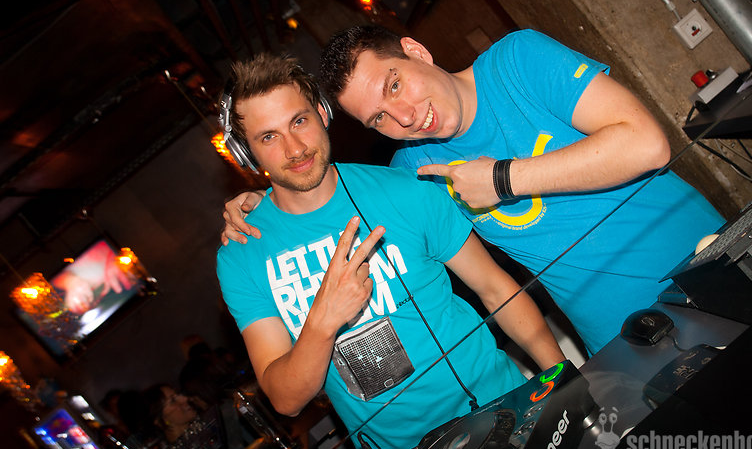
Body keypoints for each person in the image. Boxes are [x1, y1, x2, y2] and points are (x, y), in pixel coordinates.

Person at [222, 25, 724, 356]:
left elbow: (647, 144)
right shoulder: (417, 170)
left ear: (416, 51)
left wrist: (504, 179)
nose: (404, 117)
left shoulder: (517, 61)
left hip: (715, 273)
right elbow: (337, 201)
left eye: (394, 85)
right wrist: (263, 203)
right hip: (625, 341)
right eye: (378, 118)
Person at [215, 53, 565, 449]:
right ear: (247, 153)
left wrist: (563, 380)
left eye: (299, 121)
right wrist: (324, 320)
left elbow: (495, 288)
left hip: (502, 407)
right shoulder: (242, 254)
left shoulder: (407, 190)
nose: (294, 148)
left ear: (323, 113)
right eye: (268, 137)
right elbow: (285, 399)